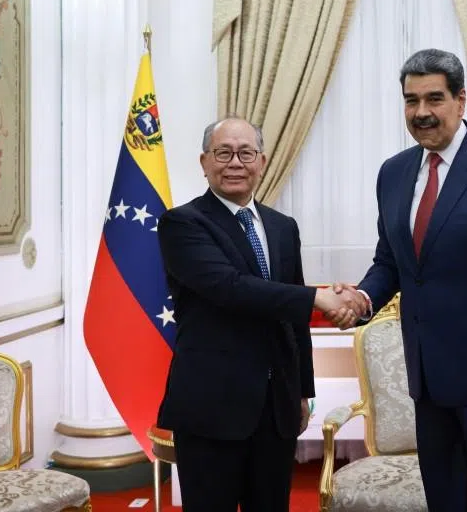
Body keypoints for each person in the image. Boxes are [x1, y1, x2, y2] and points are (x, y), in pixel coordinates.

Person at [332, 49, 467, 511]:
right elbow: (391, 262)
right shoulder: (393, 173)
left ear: (461, 100)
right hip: (428, 383)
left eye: (434, 98)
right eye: (411, 101)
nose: (422, 113)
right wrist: (361, 298)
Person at [156, 118, 363, 512]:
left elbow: (292, 321)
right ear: (204, 162)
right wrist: (318, 298)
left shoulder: (283, 227)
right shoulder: (182, 223)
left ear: (262, 161)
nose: (235, 162)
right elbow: (229, 288)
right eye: (223, 153)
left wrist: (303, 392)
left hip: (276, 411)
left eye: (246, 153)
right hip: (211, 409)